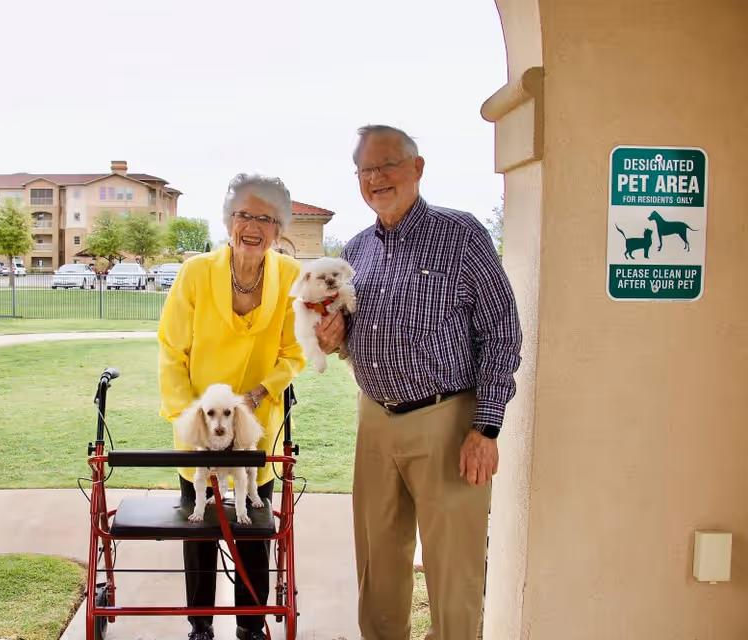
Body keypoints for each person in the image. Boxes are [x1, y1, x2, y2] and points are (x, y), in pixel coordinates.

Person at [317, 125, 523, 640]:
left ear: (417, 168)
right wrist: (333, 338)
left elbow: (502, 333)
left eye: (387, 165)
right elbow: (349, 338)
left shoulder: (462, 235)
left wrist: (487, 427)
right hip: (375, 421)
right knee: (378, 565)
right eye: (366, 169)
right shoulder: (356, 249)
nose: (376, 178)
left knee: (454, 572)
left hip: (447, 421)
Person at [158, 173, 307, 640]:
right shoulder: (196, 272)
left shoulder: (288, 277)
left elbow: (294, 352)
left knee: (253, 529)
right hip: (200, 425)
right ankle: (200, 626)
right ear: (228, 220)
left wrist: (259, 395)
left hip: (254, 425)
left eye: (266, 217)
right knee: (199, 528)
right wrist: (190, 421)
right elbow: (171, 350)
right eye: (244, 214)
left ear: (279, 229)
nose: (253, 225)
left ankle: (251, 625)